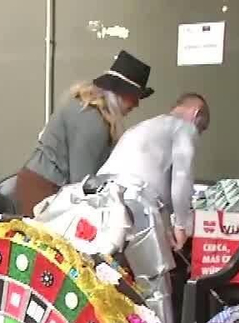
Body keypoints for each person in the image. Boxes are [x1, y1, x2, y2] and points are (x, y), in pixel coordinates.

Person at [14, 51, 152, 216]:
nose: (136, 104)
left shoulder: (90, 110)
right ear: (119, 93)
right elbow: (82, 182)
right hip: (44, 189)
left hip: (44, 185)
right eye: (134, 96)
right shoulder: (92, 119)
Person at [96, 92, 210, 248]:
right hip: (132, 204)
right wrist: (181, 225)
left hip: (100, 196)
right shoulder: (184, 127)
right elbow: (182, 177)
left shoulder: (146, 126)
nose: (198, 134)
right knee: (157, 268)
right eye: (201, 128)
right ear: (195, 113)